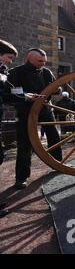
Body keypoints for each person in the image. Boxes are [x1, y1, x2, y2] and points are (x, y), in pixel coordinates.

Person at [6, 48, 62, 190]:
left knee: (54, 136)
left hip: (45, 110)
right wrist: (26, 96)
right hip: (25, 112)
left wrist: (57, 90)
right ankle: (21, 178)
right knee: (24, 144)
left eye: (44, 61)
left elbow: (56, 87)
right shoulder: (15, 72)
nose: (43, 64)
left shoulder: (47, 72)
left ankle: (58, 164)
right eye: (40, 61)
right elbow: (10, 94)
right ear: (29, 58)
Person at [0, 39, 18, 218]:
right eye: (8, 57)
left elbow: (8, 92)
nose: (10, 61)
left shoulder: (2, 72)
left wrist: (25, 96)